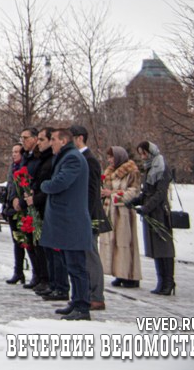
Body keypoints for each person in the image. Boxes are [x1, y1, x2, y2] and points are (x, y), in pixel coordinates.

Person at [39, 128, 93, 320]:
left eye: (53, 139)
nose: (50, 142)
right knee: (71, 265)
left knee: (77, 266)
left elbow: (60, 183)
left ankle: (82, 306)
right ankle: (76, 301)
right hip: (66, 222)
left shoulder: (72, 158)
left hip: (72, 221)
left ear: (63, 141)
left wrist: (45, 185)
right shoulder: (67, 156)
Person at [126, 141, 176, 296]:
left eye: (144, 153)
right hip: (151, 213)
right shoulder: (149, 168)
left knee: (164, 248)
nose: (142, 156)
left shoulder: (161, 167)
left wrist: (147, 207)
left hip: (160, 213)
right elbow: (147, 192)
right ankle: (161, 281)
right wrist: (136, 201)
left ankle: (168, 282)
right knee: (156, 249)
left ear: (151, 152)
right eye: (141, 153)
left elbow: (160, 193)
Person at [70, 125, 111, 311]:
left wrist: (83, 215)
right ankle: (86, 294)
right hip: (81, 215)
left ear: (79, 138)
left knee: (91, 256)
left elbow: (92, 192)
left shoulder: (90, 160)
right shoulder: (78, 158)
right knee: (83, 257)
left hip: (89, 216)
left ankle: (96, 296)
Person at [99, 146, 143, 288]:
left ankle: (130, 274)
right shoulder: (110, 172)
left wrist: (112, 194)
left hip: (123, 213)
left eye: (112, 157)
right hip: (110, 211)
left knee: (125, 243)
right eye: (109, 157)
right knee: (114, 243)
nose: (110, 160)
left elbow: (134, 192)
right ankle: (119, 272)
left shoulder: (132, 172)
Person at [14, 127, 49, 291]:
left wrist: (30, 195)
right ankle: (38, 274)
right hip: (27, 202)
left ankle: (44, 277)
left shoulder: (39, 157)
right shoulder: (26, 156)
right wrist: (17, 197)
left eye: (26, 137)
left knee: (39, 243)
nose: (23, 141)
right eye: (21, 138)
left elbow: (37, 178)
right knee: (30, 242)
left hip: (37, 202)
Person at [2, 144, 27, 284]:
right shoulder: (13, 167)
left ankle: (36, 273)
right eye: (13, 152)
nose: (14, 154)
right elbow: (10, 186)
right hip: (12, 207)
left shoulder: (25, 167)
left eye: (17, 152)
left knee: (26, 243)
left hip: (22, 208)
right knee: (17, 241)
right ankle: (18, 271)